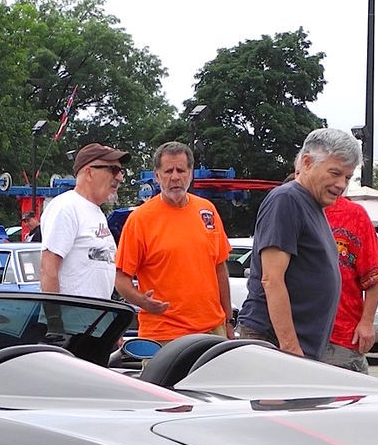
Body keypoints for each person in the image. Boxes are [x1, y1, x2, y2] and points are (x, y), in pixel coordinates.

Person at [236, 127, 359, 357]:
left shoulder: (313, 205)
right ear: (307, 162)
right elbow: (271, 279)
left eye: (347, 177)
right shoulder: (286, 200)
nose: (341, 184)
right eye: (335, 173)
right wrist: (291, 349)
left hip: (296, 347)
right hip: (274, 345)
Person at [114, 141, 231, 341]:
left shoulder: (207, 210)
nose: (175, 177)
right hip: (164, 335)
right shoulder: (140, 220)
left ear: (191, 173)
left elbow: (220, 268)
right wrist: (143, 301)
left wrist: (228, 321)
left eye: (181, 170)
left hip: (212, 331)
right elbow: (121, 279)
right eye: (168, 171)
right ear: (157, 176)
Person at [40, 142, 127, 299]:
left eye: (121, 171)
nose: (120, 178)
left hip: (95, 318)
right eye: (114, 170)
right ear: (89, 172)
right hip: (71, 320)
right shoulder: (66, 207)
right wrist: (55, 320)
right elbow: (48, 269)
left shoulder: (96, 212)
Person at [321, 191, 378, 372]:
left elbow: (373, 275)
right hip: (297, 334)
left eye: (345, 176)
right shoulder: (293, 209)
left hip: (341, 336)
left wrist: (366, 322)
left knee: (347, 397)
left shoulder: (354, 214)